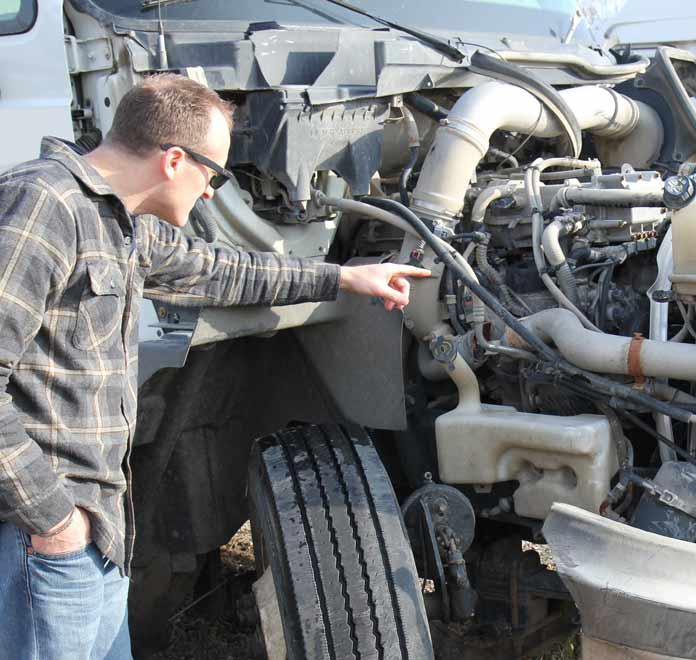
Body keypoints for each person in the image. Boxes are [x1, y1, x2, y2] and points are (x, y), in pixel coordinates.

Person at [0, 74, 429, 660]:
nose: (210, 194)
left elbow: (220, 271)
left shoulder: (117, 221)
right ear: (175, 160)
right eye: (214, 175)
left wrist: (345, 278)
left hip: (97, 527)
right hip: (45, 537)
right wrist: (52, 520)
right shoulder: (42, 207)